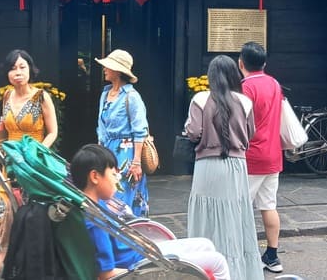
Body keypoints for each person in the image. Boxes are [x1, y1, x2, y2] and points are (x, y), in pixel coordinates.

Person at [71, 144, 231, 280]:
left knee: (206, 244)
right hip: (146, 263)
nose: (116, 179)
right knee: (218, 261)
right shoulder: (95, 222)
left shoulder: (97, 206)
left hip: (146, 252)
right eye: (113, 174)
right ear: (95, 177)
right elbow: (107, 274)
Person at [185, 55, 264, 280]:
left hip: (207, 165)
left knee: (206, 216)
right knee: (235, 216)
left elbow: (193, 132)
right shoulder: (245, 101)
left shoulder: (200, 99)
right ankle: (238, 272)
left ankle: (205, 269)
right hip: (237, 166)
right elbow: (250, 133)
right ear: (233, 74)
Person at [0, 49, 59, 280]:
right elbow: (4, 130)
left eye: (22, 67)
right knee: (3, 223)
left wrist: (36, 154)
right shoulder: (7, 97)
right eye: (12, 68)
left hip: (33, 169)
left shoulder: (41, 97)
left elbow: (53, 132)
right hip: (10, 168)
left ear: (31, 69)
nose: (17, 72)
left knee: (31, 222)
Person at [237, 41, 284, 273]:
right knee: (269, 205)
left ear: (241, 62)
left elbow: (239, 122)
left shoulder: (245, 87)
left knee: (241, 207)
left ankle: (245, 253)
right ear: (264, 63)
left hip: (251, 155)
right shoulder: (275, 83)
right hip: (273, 154)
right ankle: (272, 255)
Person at [95, 49, 149, 217]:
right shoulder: (105, 94)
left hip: (126, 154)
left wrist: (136, 162)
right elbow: (100, 126)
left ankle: (131, 236)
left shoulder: (132, 96)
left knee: (122, 196)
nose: (104, 69)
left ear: (117, 71)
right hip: (106, 152)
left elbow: (140, 130)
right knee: (106, 196)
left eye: (108, 66)